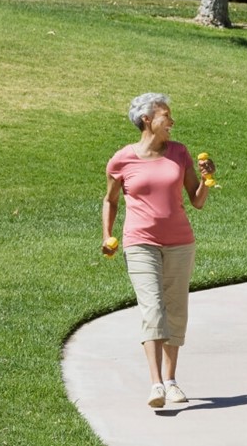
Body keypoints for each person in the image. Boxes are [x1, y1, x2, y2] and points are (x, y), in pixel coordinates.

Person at [101, 92, 215, 408]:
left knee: (176, 310)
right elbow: (110, 200)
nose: (172, 121)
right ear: (147, 119)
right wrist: (106, 234)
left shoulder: (179, 153)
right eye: (167, 115)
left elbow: (197, 200)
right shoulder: (121, 159)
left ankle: (172, 380)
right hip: (140, 242)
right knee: (152, 308)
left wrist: (207, 179)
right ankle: (155, 385)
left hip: (180, 242)